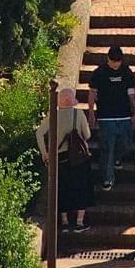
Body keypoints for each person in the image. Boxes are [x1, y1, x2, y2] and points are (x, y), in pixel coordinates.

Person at [36, 87, 93, 233]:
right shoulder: (78, 113)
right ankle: (80, 222)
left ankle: (65, 222)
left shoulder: (53, 115)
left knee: (62, 189)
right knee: (81, 187)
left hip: (59, 157)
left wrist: (45, 153)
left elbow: (39, 133)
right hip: (78, 158)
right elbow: (87, 135)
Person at [87, 45, 135, 190]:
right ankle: (108, 177)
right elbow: (92, 93)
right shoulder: (99, 72)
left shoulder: (126, 71)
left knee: (126, 144)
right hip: (105, 116)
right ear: (108, 59)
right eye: (113, 62)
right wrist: (91, 112)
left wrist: (134, 112)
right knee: (107, 148)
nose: (116, 65)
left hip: (124, 115)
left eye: (118, 62)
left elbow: (131, 94)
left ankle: (116, 158)